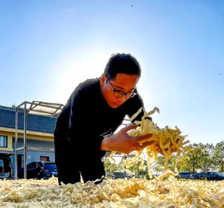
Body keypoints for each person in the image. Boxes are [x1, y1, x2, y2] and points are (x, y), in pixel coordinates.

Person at [54, 53, 153, 185]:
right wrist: (110, 143)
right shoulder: (84, 92)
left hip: (98, 140)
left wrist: (159, 139)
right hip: (68, 138)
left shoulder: (131, 97)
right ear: (103, 80)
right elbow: (75, 136)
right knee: (70, 187)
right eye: (117, 90)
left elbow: (144, 123)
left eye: (129, 91)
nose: (123, 98)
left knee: (97, 184)